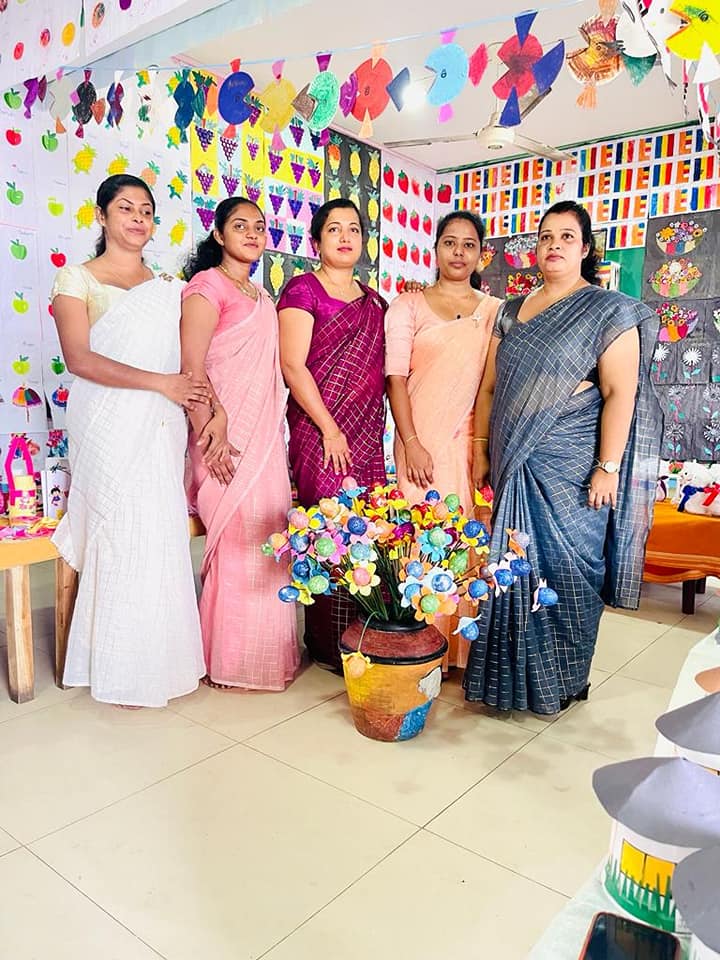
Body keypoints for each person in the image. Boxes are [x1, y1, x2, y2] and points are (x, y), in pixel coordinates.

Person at [465, 200, 662, 715]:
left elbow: (621, 392)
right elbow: (489, 388)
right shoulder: (509, 311)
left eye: (566, 237)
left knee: (572, 571)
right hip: (515, 459)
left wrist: (608, 466)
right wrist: (482, 449)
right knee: (513, 566)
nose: (553, 245)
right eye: (546, 236)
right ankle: (508, 685)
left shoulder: (607, 309)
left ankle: (563, 680)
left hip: (574, 464)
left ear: (586, 247)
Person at [51, 174, 207, 707]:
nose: (138, 218)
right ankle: (115, 663)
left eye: (146, 210)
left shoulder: (166, 286)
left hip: (161, 425)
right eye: (126, 208)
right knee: (118, 531)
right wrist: (160, 384)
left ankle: (160, 661)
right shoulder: (77, 279)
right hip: (106, 424)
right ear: (102, 216)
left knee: (157, 530)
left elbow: (187, 361)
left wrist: (187, 398)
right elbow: (80, 359)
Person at [180, 197, 300, 690]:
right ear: (218, 235)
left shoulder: (263, 298)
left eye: (259, 226)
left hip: (264, 442)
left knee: (269, 542)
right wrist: (214, 427)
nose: (252, 233)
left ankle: (265, 656)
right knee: (234, 546)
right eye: (240, 226)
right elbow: (192, 367)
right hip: (219, 437)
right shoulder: (205, 288)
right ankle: (228, 661)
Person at [385, 210, 501, 666]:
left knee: (460, 538)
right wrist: (411, 440)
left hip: (467, 440)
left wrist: (481, 449)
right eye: (450, 242)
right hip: (419, 438)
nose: (458, 252)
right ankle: (415, 646)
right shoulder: (407, 305)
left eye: (468, 244)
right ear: (435, 249)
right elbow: (395, 377)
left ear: (479, 254)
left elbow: (491, 383)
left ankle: (458, 652)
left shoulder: (493, 312)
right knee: (418, 536)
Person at [277, 199, 388, 670]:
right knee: (326, 532)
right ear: (317, 240)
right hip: (320, 431)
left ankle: (367, 633)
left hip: (365, 431)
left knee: (369, 531)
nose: (345, 237)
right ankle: (326, 644)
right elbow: (292, 365)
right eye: (334, 229)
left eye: (354, 229)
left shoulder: (375, 302)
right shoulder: (302, 290)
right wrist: (329, 428)